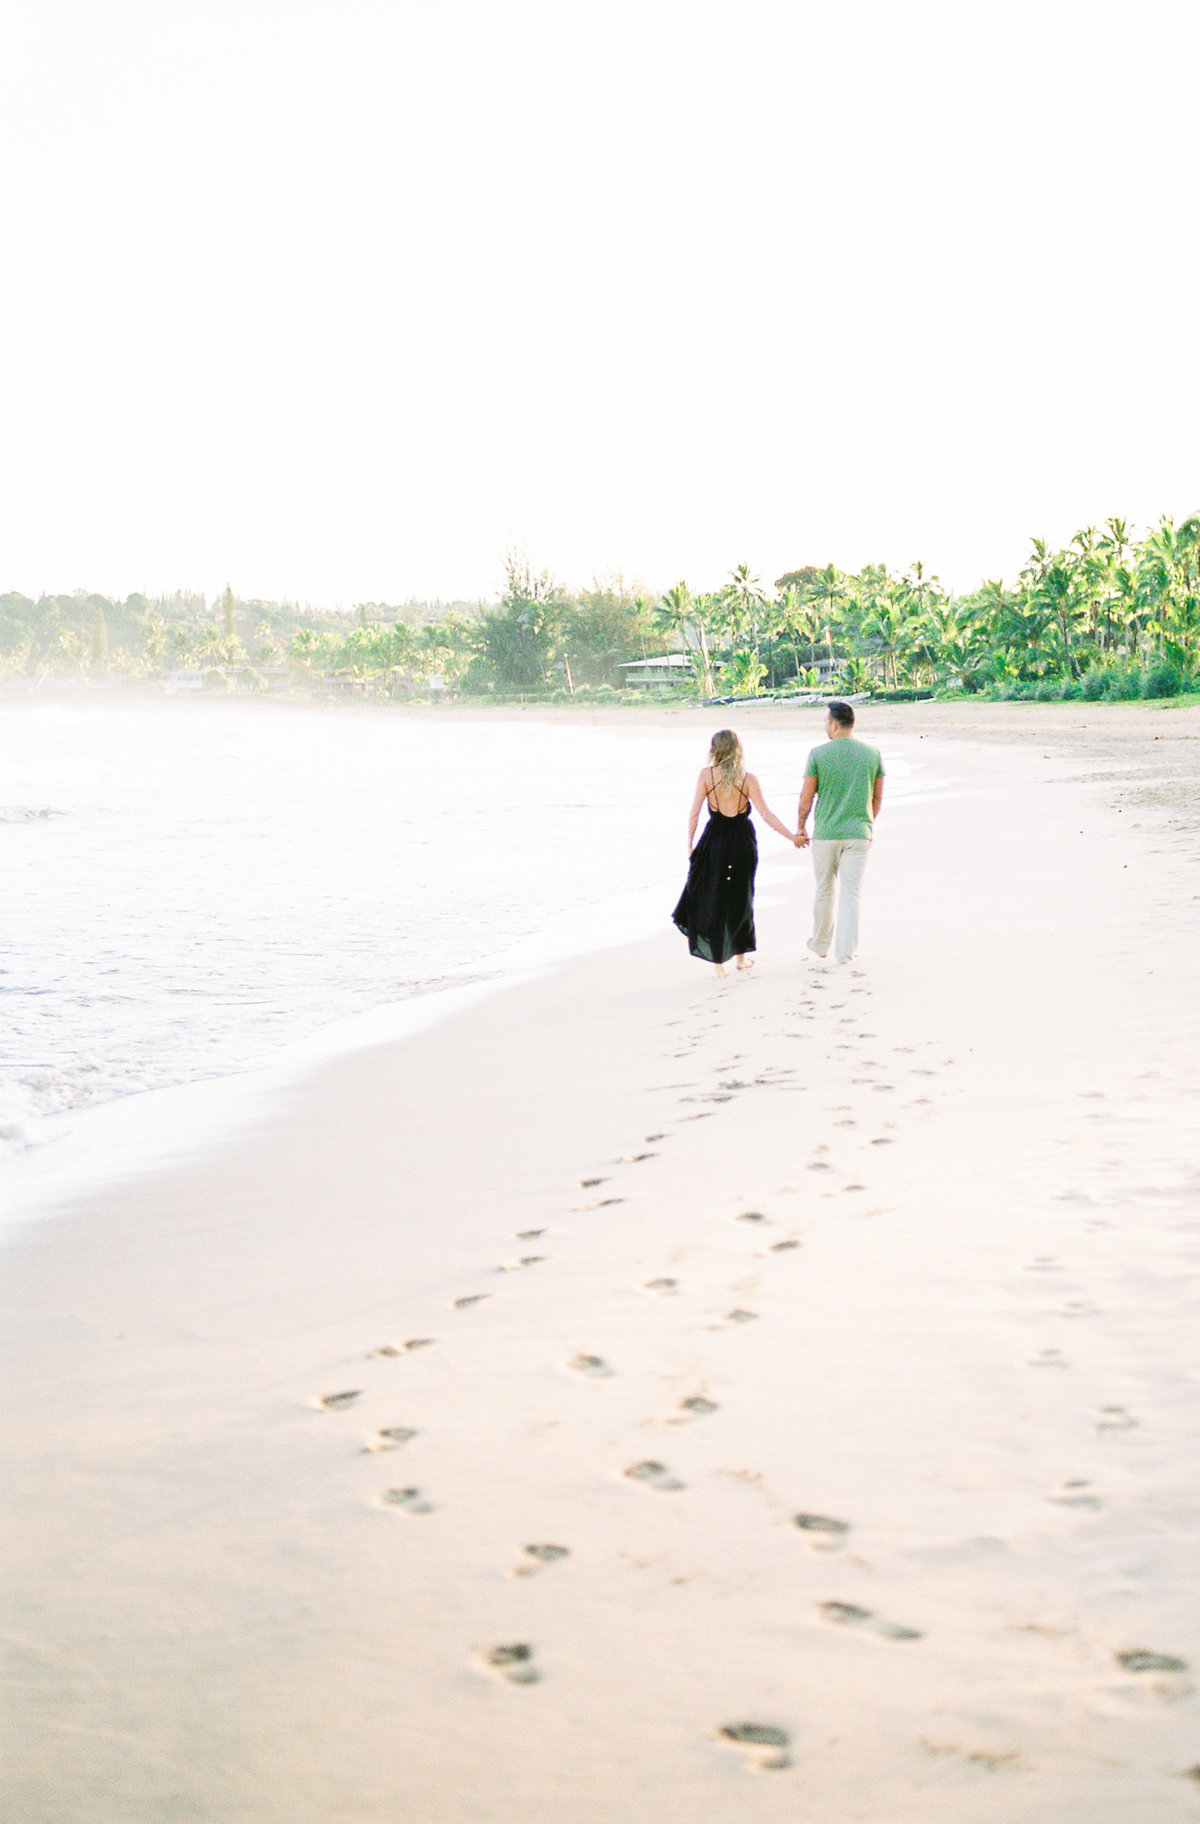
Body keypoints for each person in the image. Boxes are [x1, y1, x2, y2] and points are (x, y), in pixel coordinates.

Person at [673, 728, 801, 978]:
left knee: (715, 897)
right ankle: (741, 958)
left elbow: (694, 813)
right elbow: (767, 815)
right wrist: (792, 837)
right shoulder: (748, 779)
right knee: (742, 897)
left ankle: (719, 965)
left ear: (714, 750)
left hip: (715, 842)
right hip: (742, 842)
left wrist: (690, 845)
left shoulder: (706, 776)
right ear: (737, 749)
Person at [794, 700, 884, 964]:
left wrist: (800, 825)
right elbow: (876, 799)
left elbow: (806, 797)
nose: (825, 726)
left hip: (826, 833)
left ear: (834, 725)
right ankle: (845, 952)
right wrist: (866, 823)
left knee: (824, 888)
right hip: (859, 833)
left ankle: (821, 944)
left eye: (825, 722)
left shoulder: (818, 754)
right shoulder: (872, 754)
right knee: (851, 893)